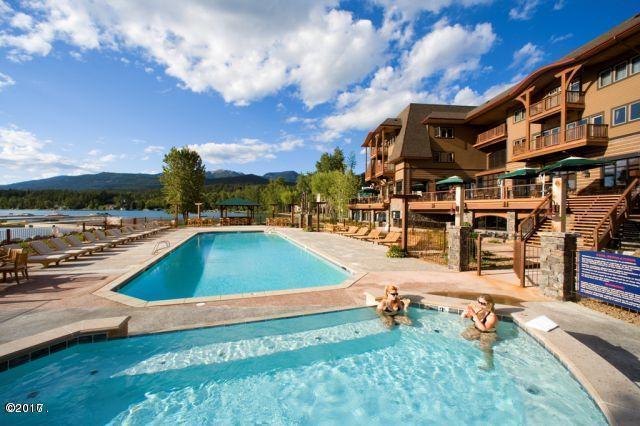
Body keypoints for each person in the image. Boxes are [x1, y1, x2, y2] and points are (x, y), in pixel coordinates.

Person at [460, 294, 498, 370]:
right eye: (479, 302)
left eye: (483, 303)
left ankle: (490, 365)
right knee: (463, 336)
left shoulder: (492, 316)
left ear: (489, 304)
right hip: (476, 328)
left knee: (485, 348)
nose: (480, 304)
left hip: (488, 333)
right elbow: (465, 316)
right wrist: (465, 313)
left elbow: (484, 329)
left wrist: (474, 315)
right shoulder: (478, 309)